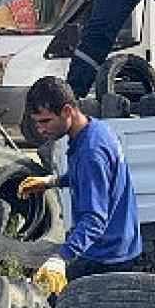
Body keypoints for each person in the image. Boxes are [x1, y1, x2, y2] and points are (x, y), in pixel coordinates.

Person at [20, 76, 141, 294]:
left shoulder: (90, 152)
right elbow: (95, 179)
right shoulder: (96, 130)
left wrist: (60, 258)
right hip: (120, 242)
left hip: (106, 256)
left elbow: (94, 220)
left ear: (67, 111)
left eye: (45, 121)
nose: (40, 129)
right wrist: (53, 181)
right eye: (36, 122)